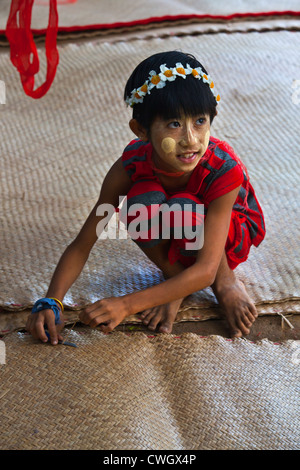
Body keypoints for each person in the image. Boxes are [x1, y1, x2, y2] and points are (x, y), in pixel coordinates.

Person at [26, 51, 266, 345]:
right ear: (140, 130)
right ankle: (175, 277)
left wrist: (126, 304)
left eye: (200, 121)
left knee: (183, 209)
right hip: (184, 223)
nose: (191, 139)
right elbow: (83, 242)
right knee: (139, 204)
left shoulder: (223, 169)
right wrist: (52, 301)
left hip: (229, 229)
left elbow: (204, 271)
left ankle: (225, 281)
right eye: (174, 124)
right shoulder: (129, 167)